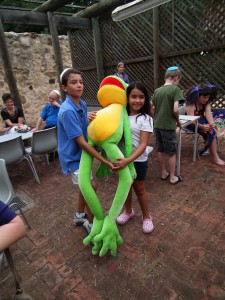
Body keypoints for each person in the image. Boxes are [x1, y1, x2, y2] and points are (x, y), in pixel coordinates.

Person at [57, 68, 116, 233]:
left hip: (82, 155)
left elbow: (82, 123)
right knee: (91, 187)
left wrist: (88, 117)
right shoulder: (67, 111)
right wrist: (104, 161)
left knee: (85, 187)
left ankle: (78, 215)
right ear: (64, 88)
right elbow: (82, 142)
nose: (79, 85)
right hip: (73, 157)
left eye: (81, 82)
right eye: (73, 82)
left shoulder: (81, 104)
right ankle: (91, 223)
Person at [115, 82, 154, 233]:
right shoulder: (121, 115)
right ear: (127, 98)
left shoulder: (146, 118)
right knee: (125, 188)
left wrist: (128, 160)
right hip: (122, 159)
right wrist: (93, 116)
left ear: (145, 99)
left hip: (138, 160)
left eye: (141, 97)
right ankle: (128, 211)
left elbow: (143, 144)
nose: (137, 100)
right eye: (133, 97)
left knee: (139, 189)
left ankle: (146, 217)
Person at [152, 66, 184, 184]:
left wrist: (155, 118)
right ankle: (172, 177)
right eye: (179, 79)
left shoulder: (157, 91)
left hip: (157, 125)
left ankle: (163, 172)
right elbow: (176, 110)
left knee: (160, 149)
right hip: (168, 126)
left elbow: (152, 108)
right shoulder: (175, 90)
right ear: (176, 78)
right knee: (171, 152)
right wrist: (178, 121)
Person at [185, 84, 225, 166]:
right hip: (191, 123)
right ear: (198, 96)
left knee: (222, 114)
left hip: (202, 120)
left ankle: (211, 136)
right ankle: (215, 158)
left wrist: (211, 123)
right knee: (211, 131)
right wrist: (202, 126)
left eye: (208, 97)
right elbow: (191, 121)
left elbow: (208, 113)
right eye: (204, 97)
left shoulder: (206, 102)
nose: (206, 99)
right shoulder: (191, 104)